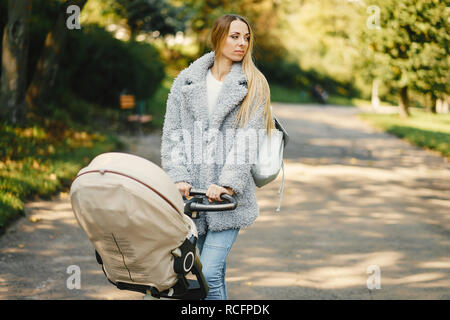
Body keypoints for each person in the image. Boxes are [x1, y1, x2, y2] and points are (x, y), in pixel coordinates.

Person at [160, 13, 274, 300]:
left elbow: (249, 140)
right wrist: (178, 176)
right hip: (194, 198)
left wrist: (227, 185)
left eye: (246, 38)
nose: (242, 43)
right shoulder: (185, 82)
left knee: (208, 272)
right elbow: (172, 133)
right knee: (207, 274)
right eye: (235, 36)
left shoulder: (253, 84)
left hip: (229, 201)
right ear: (218, 37)